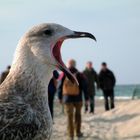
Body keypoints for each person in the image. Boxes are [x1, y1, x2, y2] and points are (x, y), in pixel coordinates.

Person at [57, 59, 88, 140]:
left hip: (67, 98)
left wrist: (60, 97)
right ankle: (78, 133)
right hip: (78, 98)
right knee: (78, 115)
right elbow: (85, 87)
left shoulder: (63, 73)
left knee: (69, 117)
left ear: (68, 64)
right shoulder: (80, 74)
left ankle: (70, 135)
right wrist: (87, 98)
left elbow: (59, 86)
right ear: (75, 64)